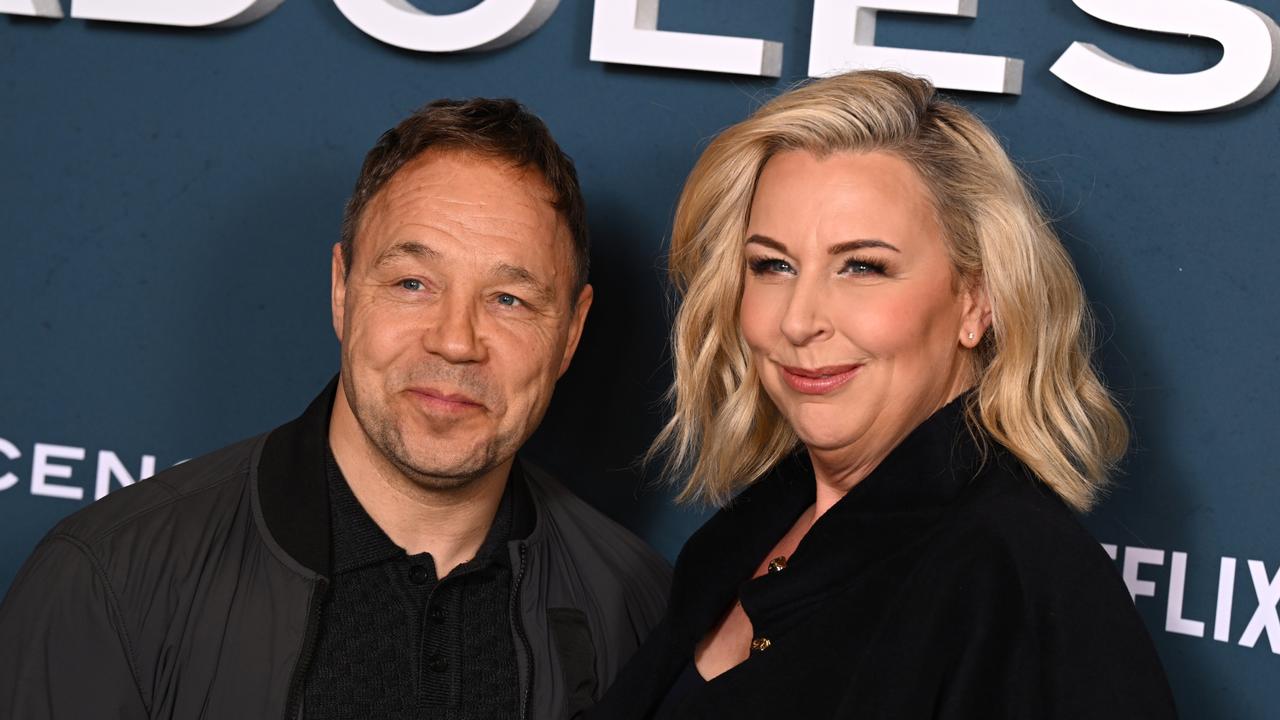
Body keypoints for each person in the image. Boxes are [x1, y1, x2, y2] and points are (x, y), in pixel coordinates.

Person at [0, 98, 671, 720]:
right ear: (343, 292)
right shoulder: (109, 582)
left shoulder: (641, 615)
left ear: (571, 334)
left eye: (509, 300)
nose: (456, 340)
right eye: (413, 283)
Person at [589, 71, 1178, 719]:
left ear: (976, 302)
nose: (798, 319)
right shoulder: (751, 528)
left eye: (862, 267)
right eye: (772, 265)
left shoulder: (1016, 578)